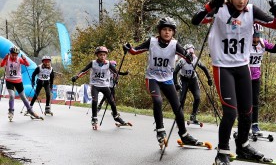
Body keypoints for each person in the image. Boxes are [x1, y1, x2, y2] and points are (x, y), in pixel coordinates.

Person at [191, 0, 276, 165]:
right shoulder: (219, 9)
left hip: (242, 66)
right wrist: (209, 6)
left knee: (247, 112)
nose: (242, 1)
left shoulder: (251, 11)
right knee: (230, 112)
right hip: (223, 67)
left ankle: (242, 146)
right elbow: (195, 21)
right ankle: (222, 152)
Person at [122, 16, 202, 147]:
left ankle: (184, 135)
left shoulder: (174, 44)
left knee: (178, 108)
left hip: (167, 79)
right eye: (164, 29)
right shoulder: (152, 41)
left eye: (170, 30)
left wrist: (189, 57)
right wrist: (128, 48)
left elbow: (187, 58)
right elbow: (135, 51)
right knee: (158, 101)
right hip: (152, 78)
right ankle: (160, 131)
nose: (167, 32)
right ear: (159, 31)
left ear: (173, 32)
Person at [71, 46, 128, 128]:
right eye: (101, 55)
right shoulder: (93, 63)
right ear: (97, 55)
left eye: (104, 55)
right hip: (95, 85)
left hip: (105, 85)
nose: (103, 56)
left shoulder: (108, 64)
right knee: (95, 101)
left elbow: (115, 72)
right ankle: (94, 118)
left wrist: (116, 77)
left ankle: (116, 116)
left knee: (112, 101)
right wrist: (76, 77)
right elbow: (84, 70)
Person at [249, 24, 276, 136]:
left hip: (256, 77)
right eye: (253, 36)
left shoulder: (263, 43)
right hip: (244, 77)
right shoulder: (245, 43)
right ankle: (244, 124)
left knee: (255, 101)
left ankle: (254, 125)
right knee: (245, 102)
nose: (255, 39)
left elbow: (274, 50)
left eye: (257, 36)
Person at [173, 44, 213, 125]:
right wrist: (176, 83)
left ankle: (193, 115)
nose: (191, 57)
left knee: (198, 97)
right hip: (183, 79)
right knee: (181, 100)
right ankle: (179, 117)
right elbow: (175, 72)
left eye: (192, 54)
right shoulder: (182, 61)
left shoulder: (195, 59)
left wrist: (209, 78)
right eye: (189, 55)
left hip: (193, 80)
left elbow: (204, 68)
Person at [0, 46, 42, 120]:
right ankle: (11, 111)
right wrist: (4, 59)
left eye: (16, 55)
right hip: (9, 81)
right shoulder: (7, 58)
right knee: (12, 96)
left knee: (23, 97)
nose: (14, 56)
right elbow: (2, 65)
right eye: (13, 54)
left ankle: (30, 110)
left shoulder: (19, 59)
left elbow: (27, 64)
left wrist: (24, 58)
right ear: (10, 53)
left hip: (18, 81)